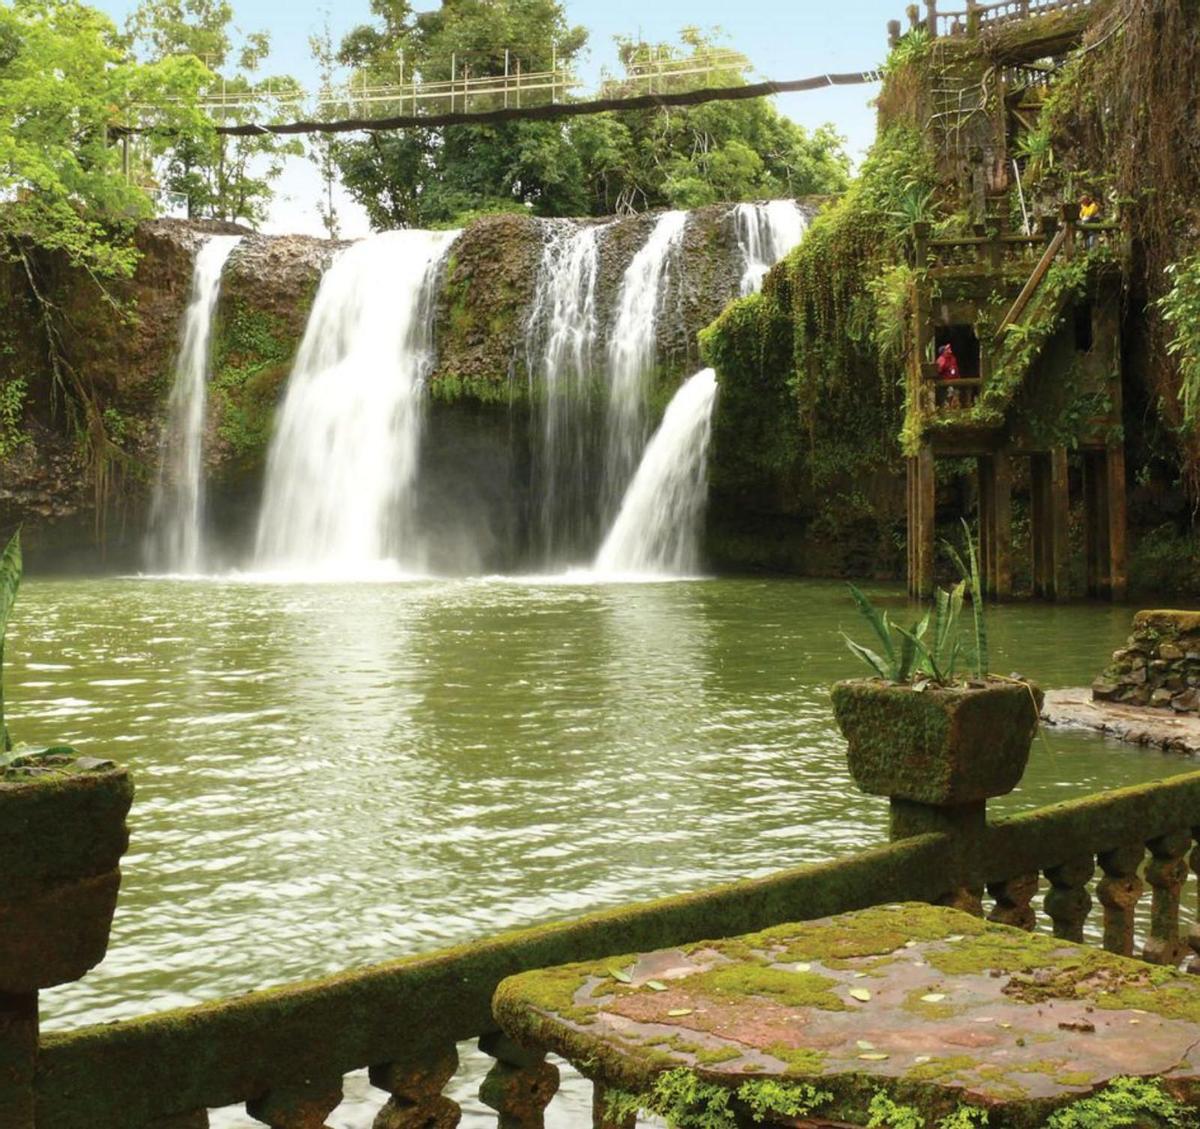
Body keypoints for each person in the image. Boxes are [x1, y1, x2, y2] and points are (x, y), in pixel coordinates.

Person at [936, 343, 961, 409]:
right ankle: (947, 408)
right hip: (946, 383)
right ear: (943, 352)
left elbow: (956, 369)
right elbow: (939, 371)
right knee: (948, 397)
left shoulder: (953, 358)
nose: (949, 350)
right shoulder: (941, 359)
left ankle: (955, 408)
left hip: (955, 381)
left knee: (956, 396)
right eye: (947, 349)